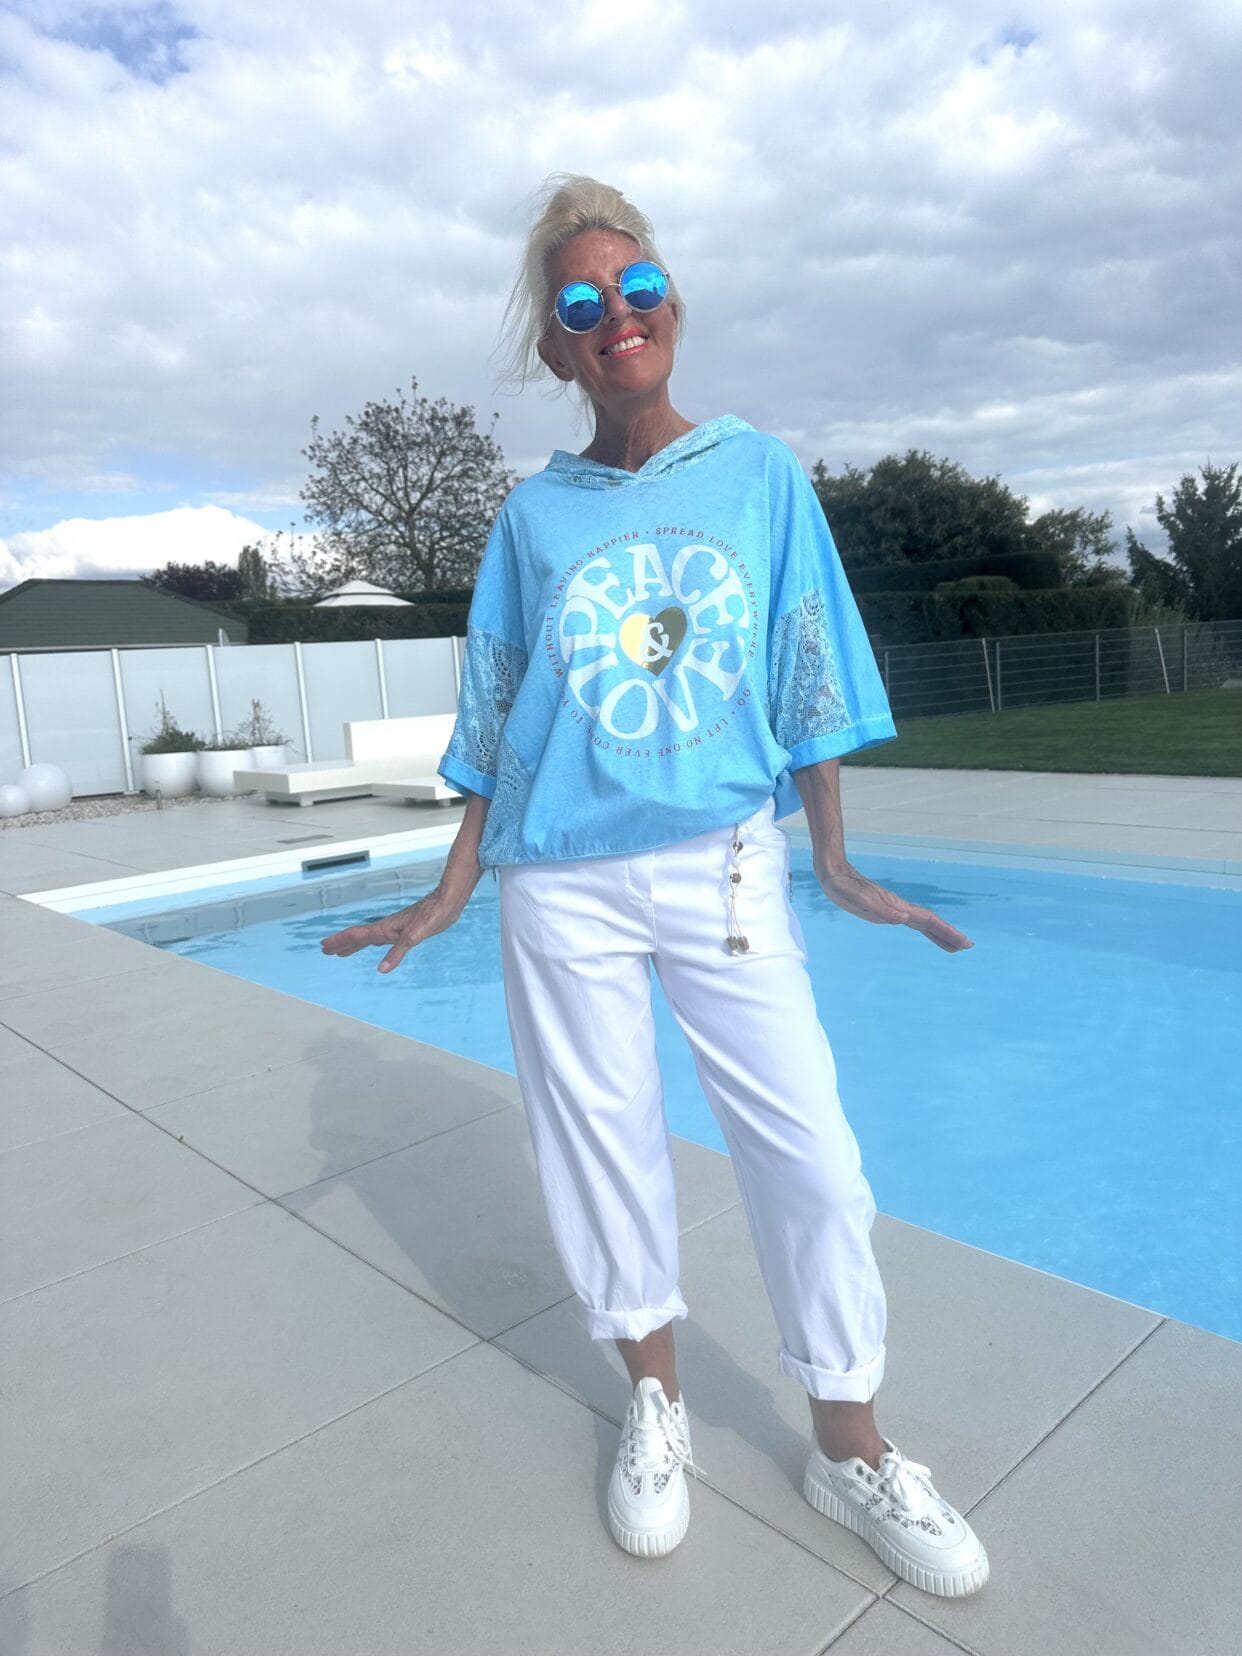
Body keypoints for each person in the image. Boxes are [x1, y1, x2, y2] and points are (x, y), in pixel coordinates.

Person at [322, 175, 988, 1598]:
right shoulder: (532, 517)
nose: (615, 313)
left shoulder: (759, 475)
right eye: (581, 302)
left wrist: (833, 855)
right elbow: (501, 710)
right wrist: (451, 884)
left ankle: (850, 1444)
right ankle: (656, 1401)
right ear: (556, 346)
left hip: (723, 862)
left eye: (635, 288)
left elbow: (802, 662)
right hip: (560, 885)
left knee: (810, 1159)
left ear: (670, 306)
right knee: (599, 1152)